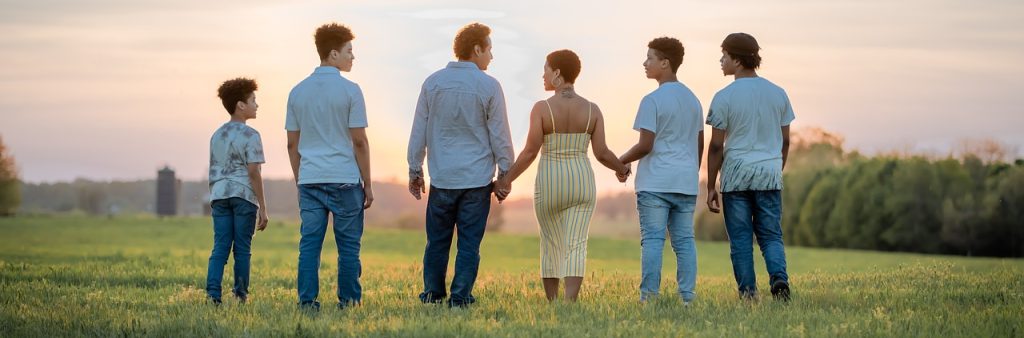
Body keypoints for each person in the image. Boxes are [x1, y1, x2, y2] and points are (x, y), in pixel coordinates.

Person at [496, 49, 630, 302]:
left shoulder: (542, 108)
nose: (542, 74)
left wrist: (506, 180)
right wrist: (621, 169)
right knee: (576, 244)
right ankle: (570, 304)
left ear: (557, 73)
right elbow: (601, 152)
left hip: (550, 182)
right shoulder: (592, 110)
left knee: (551, 243)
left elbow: (530, 152)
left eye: (545, 69)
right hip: (582, 181)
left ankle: (554, 303)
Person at [407, 22, 515, 308]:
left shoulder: (433, 82)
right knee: (469, 244)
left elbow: (419, 130)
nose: (491, 56)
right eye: (489, 49)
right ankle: (460, 297)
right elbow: (500, 135)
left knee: (437, 242)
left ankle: (432, 294)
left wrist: (415, 170)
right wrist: (506, 174)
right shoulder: (490, 86)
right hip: (476, 182)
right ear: (477, 48)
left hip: (442, 178)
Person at [286, 23, 373, 312]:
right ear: (333, 54)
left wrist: (300, 180)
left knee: (309, 245)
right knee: (348, 247)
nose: (353, 57)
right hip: (346, 181)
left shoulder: (296, 92)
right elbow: (359, 141)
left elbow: (291, 144)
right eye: (350, 51)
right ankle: (349, 303)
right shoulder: (351, 90)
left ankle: (307, 302)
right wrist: (368, 184)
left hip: (310, 180)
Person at [705, 32, 794, 301]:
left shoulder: (724, 97)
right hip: (769, 173)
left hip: (736, 176)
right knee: (770, 235)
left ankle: (748, 294)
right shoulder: (778, 93)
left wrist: (711, 185)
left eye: (724, 55)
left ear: (738, 60)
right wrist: (776, 169)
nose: (721, 60)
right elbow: (786, 140)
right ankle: (779, 277)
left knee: (741, 240)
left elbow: (716, 147)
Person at [618, 37, 704, 304]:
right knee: (685, 242)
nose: (645, 63)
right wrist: (690, 172)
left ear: (665, 63)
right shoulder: (693, 100)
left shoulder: (652, 100)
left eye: (650, 58)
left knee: (653, 240)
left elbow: (645, 145)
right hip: (685, 182)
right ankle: (687, 298)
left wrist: (622, 159)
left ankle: (649, 298)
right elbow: (699, 144)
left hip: (655, 183)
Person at [206, 77, 269, 305]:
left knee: (220, 247)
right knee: (242, 249)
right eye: (253, 100)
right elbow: (254, 172)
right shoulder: (251, 135)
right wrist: (263, 206)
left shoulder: (216, 135)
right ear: (241, 105)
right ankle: (240, 295)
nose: (256, 104)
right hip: (243, 196)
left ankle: (213, 295)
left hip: (219, 195)